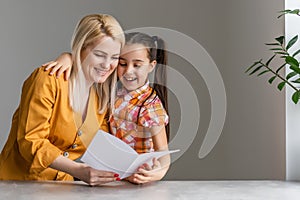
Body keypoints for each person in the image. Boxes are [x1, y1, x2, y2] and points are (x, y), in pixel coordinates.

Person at [0, 14, 125, 186]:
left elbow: (101, 148)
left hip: (62, 188)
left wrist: (137, 168)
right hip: (19, 185)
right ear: (80, 48)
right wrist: (78, 171)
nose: (107, 65)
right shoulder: (47, 79)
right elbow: (31, 141)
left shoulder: (99, 99)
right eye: (99, 54)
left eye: (114, 57)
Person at [44, 32, 170, 184]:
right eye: (122, 64)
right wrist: (67, 57)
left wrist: (159, 172)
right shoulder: (112, 91)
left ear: (151, 66)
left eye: (137, 65)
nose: (129, 71)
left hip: (137, 178)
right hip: (110, 175)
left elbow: (163, 152)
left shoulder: (150, 106)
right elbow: (88, 63)